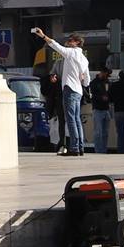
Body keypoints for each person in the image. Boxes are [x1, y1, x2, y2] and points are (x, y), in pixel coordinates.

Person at [31, 28, 91, 157]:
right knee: (77, 119)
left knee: (70, 119)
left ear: (77, 42)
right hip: (78, 91)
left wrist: (43, 36)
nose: (68, 42)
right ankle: (80, 147)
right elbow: (87, 81)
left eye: (71, 40)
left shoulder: (70, 53)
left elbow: (54, 45)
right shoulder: (84, 59)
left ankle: (74, 148)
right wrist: (81, 80)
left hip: (69, 88)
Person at [87, 68, 114, 154]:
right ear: (102, 73)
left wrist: (109, 98)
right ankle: (98, 150)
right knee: (98, 132)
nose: (107, 76)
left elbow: (110, 93)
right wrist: (101, 97)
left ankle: (104, 149)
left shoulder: (107, 82)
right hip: (98, 109)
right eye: (106, 74)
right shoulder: (94, 83)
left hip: (106, 108)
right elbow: (92, 95)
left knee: (105, 132)